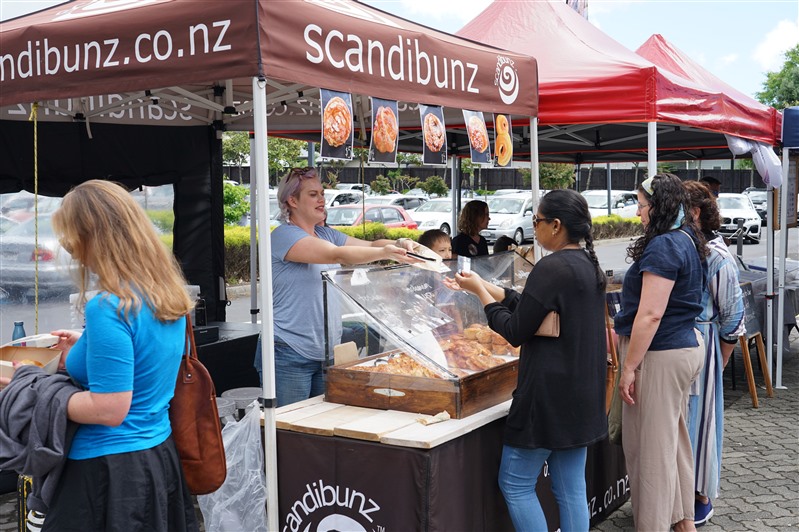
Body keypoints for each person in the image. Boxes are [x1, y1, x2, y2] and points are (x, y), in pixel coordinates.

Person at [447, 189, 608, 531]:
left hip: (548, 398)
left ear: (556, 225)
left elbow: (516, 330)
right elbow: (532, 307)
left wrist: (480, 293)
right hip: (581, 394)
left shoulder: (552, 267)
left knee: (516, 484)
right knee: (570, 488)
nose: (533, 227)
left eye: (537, 221)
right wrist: (485, 285)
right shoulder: (587, 264)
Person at [44, 180, 197, 531]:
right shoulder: (165, 294)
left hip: (106, 474)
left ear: (92, 236)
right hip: (157, 459)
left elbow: (110, 409)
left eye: (70, 235)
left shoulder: (108, 306)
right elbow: (144, 356)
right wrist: (85, 346)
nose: (68, 248)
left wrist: (34, 389)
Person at [265, 167, 416, 407]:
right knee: (288, 424)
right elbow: (337, 254)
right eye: (313, 194)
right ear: (292, 201)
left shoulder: (326, 233)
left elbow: (370, 245)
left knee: (319, 422)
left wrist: (401, 243)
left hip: (325, 351)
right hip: (289, 351)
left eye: (322, 193)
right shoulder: (284, 235)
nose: (322, 200)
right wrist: (385, 253)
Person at [613, 173, 707, 532]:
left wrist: (629, 367)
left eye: (641, 205)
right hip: (680, 347)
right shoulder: (685, 237)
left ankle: (652, 525)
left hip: (660, 353)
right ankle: (684, 523)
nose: (637, 212)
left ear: (658, 206)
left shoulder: (665, 244)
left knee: (650, 453)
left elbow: (650, 314)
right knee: (673, 441)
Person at [684, 181, 745, 526]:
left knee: (701, 423)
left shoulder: (717, 257)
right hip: (684, 346)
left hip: (703, 346)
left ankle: (700, 496)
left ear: (695, 213)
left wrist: (718, 362)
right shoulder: (683, 247)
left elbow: (733, 319)